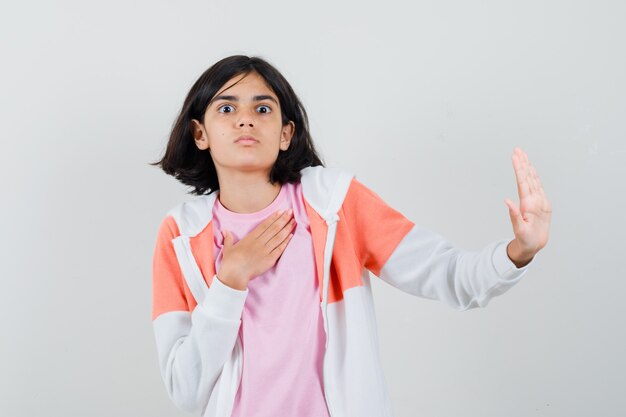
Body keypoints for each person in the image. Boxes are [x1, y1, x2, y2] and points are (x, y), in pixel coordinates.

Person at [149, 55, 552, 417]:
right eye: (226, 108)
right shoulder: (181, 236)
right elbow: (185, 389)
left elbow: (445, 272)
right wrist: (229, 281)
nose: (245, 119)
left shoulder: (335, 204)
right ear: (200, 134)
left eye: (263, 107)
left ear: (286, 133)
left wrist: (519, 251)